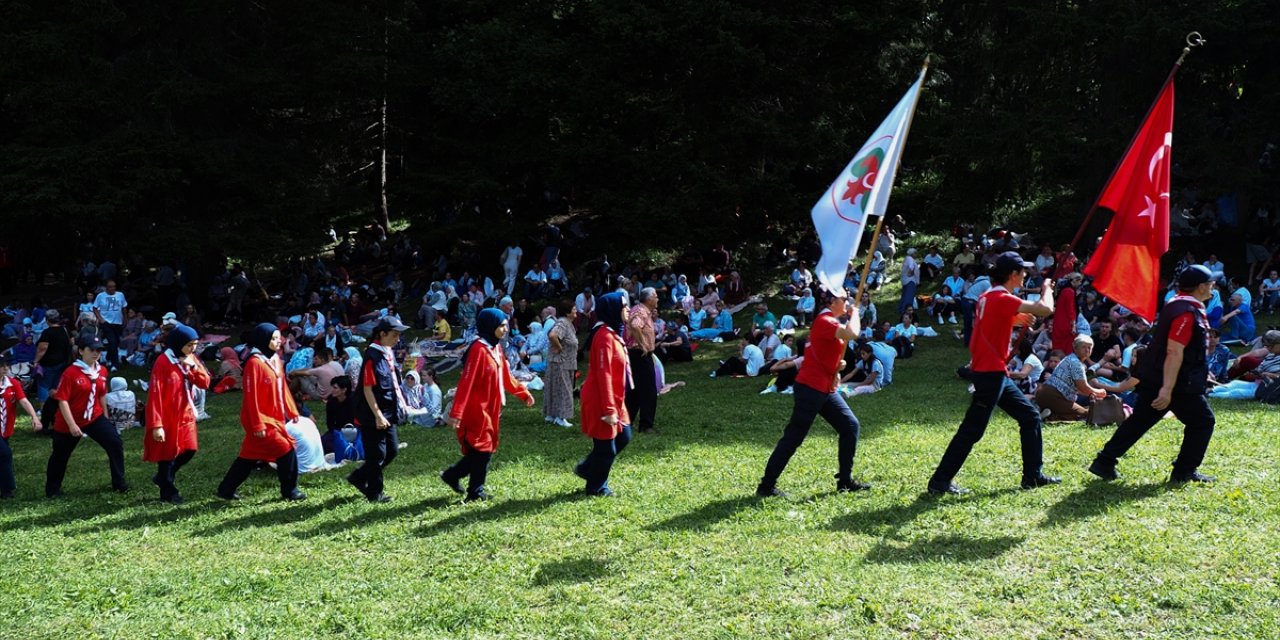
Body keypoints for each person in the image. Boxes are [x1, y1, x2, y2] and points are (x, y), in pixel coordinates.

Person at [928, 251, 1058, 495]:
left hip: (995, 372)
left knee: (1029, 416)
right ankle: (939, 481)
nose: (1025, 276)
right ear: (1013, 274)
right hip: (990, 374)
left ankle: (1033, 476)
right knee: (972, 430)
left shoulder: (989, 296)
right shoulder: (1001, 298)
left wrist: (1018, 320)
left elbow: (995, 322)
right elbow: (1045, 308)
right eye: (1022, 272)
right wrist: (1047, 287)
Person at [1090, 265, 1219, 483]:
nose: (1213, 287)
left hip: (1161, 377)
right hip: (1177, 382)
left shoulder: (1176, 304)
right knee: (1203, 421)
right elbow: (1174, 351)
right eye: (1210, 283)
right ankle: (1184, 471)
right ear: (1200, 287)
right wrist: (1167, 389)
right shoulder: (1186, 312)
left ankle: (1105, 461)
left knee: (1140, 419)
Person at [756, 286, 870, 497]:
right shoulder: (825, 321)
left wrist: (837, 367)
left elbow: (821, 354)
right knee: (794, 437)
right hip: (810, 388)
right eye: (844, 299)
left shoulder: (830, 322)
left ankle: (844, 481)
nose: (848, 302)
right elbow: (852, 333)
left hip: (824, 388)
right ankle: (766, 486)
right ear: (832, 302)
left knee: (850, 426)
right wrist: (855, 314)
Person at [442, 309, 534, 502]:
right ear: (490, 326)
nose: (505, 328)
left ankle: (453, 475)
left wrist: (523, 393)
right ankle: (475, 491)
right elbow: (466, 382)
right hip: (476, 409)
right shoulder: (478, 349)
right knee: (483, 450)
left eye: (505, 324)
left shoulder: (495, 347)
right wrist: (456, 412)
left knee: (483, 450)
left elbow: (505, 376)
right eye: (501, 325)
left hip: (491, 408)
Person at [216, 324, 306, 502]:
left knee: (248, 456)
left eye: (278, 337)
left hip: (275, 417)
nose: (279, 341)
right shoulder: (254, 363)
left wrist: (292, 410)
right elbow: (251, 396)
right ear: (264, 340)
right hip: (261, 419)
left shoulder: (275, 360)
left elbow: (283, 388)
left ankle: (225, 489)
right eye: (273, 338)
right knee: (286, 449)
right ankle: (290, 491)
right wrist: (258, 423)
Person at [45, 336, 128, 497]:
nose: (96, 353)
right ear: (81, 351)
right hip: (69, 420)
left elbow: (102, 394)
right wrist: (72, 425)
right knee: (60, 455)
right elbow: (62, 400)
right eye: (92, 349)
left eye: (99, 350)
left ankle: (119, 483)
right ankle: (52, 490)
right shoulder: (71, 372)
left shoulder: (102, 370)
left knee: (114, 442)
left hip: (94, 417)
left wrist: (105, 417)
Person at [573, 292, 633, 497]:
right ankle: (596, 487)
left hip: (615, 398)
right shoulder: (603, 336)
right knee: (606, 448)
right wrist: (608, 410)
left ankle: (588, 468)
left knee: (624, 435)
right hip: (601, 399)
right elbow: (603, 373)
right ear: (612, 309)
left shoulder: (614, 332)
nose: (627, 309)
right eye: (623, 306)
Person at [142, 323, 209, 503]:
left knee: (189, 450)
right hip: (168, 415)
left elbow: (205, 383)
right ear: (178, 343)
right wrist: (156, 425)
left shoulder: (190, 358)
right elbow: (155, 394)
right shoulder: (163, 362)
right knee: (168, 455)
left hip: (185, 413)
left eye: (195, 344)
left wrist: (193, 367)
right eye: (189, 345)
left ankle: (163, 477)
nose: (192, 348)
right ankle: (168, 492)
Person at [347, 317, 411, 503]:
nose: (397, 339)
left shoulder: (387, 352)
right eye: (394, 335)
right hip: (373, 415)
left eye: (399, 335)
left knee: (391, 451)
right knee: (377, 455)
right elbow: (367, 388)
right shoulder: (372, 357)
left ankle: (359, 476)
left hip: (388, 411)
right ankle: (375, 493)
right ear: (382, 334)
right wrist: (378, 415)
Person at [1034, 335, 1107, 421]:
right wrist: (1100, 392)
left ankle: (1049, 413)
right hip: (1053, 396)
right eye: (1084, 347)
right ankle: (1051, 416)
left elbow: (1080, 389)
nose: (1087, 350)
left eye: (1089, 347)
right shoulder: (1076, 364)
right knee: (1086, 414)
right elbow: (1084, 388)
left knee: (1077, 410)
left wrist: (1093, 393)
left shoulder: (1069, 358)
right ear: (1075, 348)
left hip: (1043, 395)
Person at [0, 354, 43, 498]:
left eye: (7, 365)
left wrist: (34, 417)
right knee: (5, 454)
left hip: (6, 428)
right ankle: (7, 489)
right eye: (2, 366)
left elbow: (23, 401)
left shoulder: (12, 383)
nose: (6, 368)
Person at [625, 288, 660, 435]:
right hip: (639, 354)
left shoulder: (643, 310)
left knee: (635, 390)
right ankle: (646, 425)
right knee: (648, 390)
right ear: (649, 298)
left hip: (637, 354)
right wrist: (643, 345)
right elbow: (634, 326)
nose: (658, 299)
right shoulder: (641, 311)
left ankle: (627, 422)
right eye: (656, 296)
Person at [544, 301, 579, 428]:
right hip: (562, 362)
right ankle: (561, 417)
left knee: (555, 388)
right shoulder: (563, 323)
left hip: (563, 362)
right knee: (564, 390)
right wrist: (559, 348)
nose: (576, 311)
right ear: (568, 312)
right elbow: (553, 335)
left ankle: (551, 415)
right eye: (574, 309)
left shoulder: (568, 324)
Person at [34, 310, 72, 405]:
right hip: (63, 362)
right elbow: (72, 342)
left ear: (47, 320)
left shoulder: (47, 332)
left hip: (48, 364)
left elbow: (42, 348)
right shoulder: (65, 330)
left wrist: (35, 361)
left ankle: (45, 408)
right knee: (57, 384)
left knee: (44, 385)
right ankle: (57, 405)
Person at [92, 280, 127, 370]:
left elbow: (124, 308)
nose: (112, 288)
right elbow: (95, 308)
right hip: (106, 322)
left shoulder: (120, 295)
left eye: (114, 286)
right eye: (110, 287)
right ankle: (114, 365)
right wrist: (101, 319)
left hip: (118, 322)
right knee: (112, 342)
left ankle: (108, 357)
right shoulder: (100, 296)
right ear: (106, 287)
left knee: (116, 342)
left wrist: (125, 319)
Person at [899, 248, 921, 315]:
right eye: (915, 253)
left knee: (905, 295)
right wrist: (910, 272)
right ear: (912, 253)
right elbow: (911, 267)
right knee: (909, 296)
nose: (916, 254)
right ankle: (906, 311)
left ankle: (901, 308)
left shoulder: (907, 258)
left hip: (906, 280)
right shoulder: (910, 259)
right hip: (910, 281)